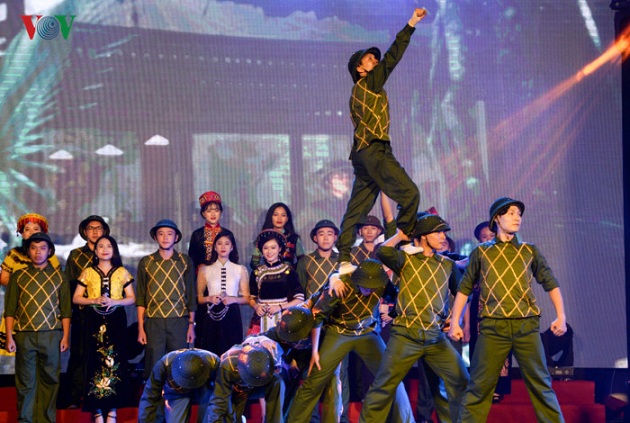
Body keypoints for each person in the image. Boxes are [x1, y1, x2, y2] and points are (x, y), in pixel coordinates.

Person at [448, 197, 567, 422]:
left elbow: (550, 282)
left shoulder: (529, 250)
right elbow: (464, 289)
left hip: (526, 325)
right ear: (497, 218)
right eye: (511, 213)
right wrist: (455, 322)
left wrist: (561, 316)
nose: (517, 218)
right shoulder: (482, 252)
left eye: (519, 214)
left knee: (541, 384)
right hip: (493, 327)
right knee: (479, 386)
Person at [335, 8, 428, 275]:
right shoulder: (368, 84)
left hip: (362, 153)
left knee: (357, 207)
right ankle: (404, 239)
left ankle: (344, 259)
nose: (375, 61)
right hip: (374, 149)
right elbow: (392, 57)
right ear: (360, 69)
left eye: (374, 58)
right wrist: (411, 23)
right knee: (410, 193)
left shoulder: (358, 92)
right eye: (369, 59)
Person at [358, 214, 469, 423]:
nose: (443, 236)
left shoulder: (447, 265)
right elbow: (382, 251)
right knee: (383, 387)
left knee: (461, 380)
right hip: (406, 336)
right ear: (424, 236)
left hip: (435, 337)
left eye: (444, 232)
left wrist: (455, 319)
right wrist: (401, 236)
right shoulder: (406, 259)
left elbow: (463, 293)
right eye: (438, 232)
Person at [286, 259, 414, 423]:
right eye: (366, 286)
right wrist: (315, 352)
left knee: (392, 377)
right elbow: (318, 317)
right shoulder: (341, 285)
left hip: (367, 332)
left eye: (373, 287)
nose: (370, 290)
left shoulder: (381, 283)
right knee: (315, 380)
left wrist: (393, 312)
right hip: (339, 332)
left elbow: (399, 297)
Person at [4, 232, 71, 423]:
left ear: (49, 251)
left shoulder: (59, 276)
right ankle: (25, 420)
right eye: (33, 248)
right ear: (28, 251)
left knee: (50, 379)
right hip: (25, 335)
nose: (38, 252)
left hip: (51, 335)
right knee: (25, 381)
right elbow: (10, 309)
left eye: (42, 248)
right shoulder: (19, 276)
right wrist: (9, 337)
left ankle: (47, 419)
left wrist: (65, 337)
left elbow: (66, 311)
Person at [72, 235, 135, 423]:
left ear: (114, 250)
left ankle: (112, 411)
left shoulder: (122, 272)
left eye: (109, 246)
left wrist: (115, 301)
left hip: (116, 320)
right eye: (101, 246)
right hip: (94, 320)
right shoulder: (88, 272)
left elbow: (132, 298)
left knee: (116, 361)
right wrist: (94, 300)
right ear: (95, 250)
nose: (105, 249)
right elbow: (76, 297)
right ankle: (98, 411)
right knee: (94, 361)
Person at [294, 221, 346, 423]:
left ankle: (341, 418)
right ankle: (312, 418)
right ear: (315, 238)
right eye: (321, 234)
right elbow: (300, 295)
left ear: (336, 237)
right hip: (312, 323)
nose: (325, 237)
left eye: (330, 233)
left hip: (338, 322)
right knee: (311, 371)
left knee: (340, 373)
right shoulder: (305, 262)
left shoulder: (342, 262)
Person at [136, 219, 197, 379]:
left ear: (176, 237)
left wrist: (191, 325)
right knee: (154, 366)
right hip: (154, 320)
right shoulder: (146, 262)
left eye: (169, 234)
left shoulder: (185, 261)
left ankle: (178, 396)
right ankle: (155, 396)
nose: (165, 237)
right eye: (161, 234)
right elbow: (141, 297)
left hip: (179, 320)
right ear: (155, 237)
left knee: (179, 365)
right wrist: (141, 328)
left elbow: (191, 295)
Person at [63, 214, 111, 409]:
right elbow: (68, 286)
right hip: (82, 312)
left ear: (104, 231)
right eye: (90, 228)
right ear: (84, 232)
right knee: (79, 354)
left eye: (98, 228)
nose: (94, 232)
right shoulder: (75, 255)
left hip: (105, 313)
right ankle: (75, 397)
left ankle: (100, 395)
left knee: (103, 354)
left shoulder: (110, 252)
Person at [0, 213, 60, 358]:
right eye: (27, 229)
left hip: (43, 310)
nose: (31, 232)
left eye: (35, 229)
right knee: (17, 356)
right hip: (17, 307)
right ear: (21, 233)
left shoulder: (50, 256)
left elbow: (58, 281)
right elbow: (4, 278)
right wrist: (24, 287)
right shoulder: (14, 254)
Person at [206, 337, 285, 422]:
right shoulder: (228, 365)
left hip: (251, 389)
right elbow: (219, 401)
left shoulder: (270, 359)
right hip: (232, 391)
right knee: (231, 418)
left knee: (277, 382)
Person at [196, 229, 250, 356]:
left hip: (232, 315)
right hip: (212, 315)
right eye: (219, 243)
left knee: (232, 353)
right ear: (215, 247)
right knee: (211, 352)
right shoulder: (205, 270)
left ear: (232, 247)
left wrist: (233, 299)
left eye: (227, 243)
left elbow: (247, 298)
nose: (223, 247)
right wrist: (209, 298)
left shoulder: (240, 269)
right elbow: (199, 298)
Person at [138, 348, 220, 423]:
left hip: (205, 387)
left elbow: (222, 397)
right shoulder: (164, 365)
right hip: (177, 391)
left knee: (211, 416)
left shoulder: (214, 362)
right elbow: (149, 397)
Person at [248, 229, 305, 335]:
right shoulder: (257, 272)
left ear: (280, 249)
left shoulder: (288, 271)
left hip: (283, 318)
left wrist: (279, 307)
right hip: (260, 320)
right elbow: (251, 298)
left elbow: (300, 299)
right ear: (261, 250)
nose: (269, 251)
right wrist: (256, 307)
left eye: (273, 248)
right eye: (265, 248)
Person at [251, 202, 304, 269]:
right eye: (275, 215)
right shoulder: (263, 236)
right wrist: (265, 270)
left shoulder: (294, 238)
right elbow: (254, 262)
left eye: (283, 215)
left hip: (288, 274)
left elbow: (302, 261)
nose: (279, 218)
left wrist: (291, 270)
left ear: (287, 218)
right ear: (271, 217)